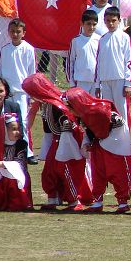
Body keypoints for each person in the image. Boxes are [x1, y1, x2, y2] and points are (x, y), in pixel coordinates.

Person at [22, 72, 91, 211]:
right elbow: (48, 129)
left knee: (66, 170)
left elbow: (70, 125)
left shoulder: (57, 104)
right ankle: (53, 198)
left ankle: (74, 201)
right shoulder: (45, 104)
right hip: (56, 139)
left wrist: (64, 148)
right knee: (49, 171)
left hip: (67, 140)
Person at [65, 86, 131, 213]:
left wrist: (99, 139)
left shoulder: (99, 111)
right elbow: (89, 130)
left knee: (118, 172)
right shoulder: (85, 113)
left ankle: (123, 202)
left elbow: (107, 127)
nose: (70, 110)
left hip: (114, 142)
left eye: (70, 107)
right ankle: (97, 201)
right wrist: (88, 141)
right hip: (99, 143)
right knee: (98, 172)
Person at [0, 19, 36, 160]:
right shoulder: (5, 50)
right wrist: (0, 90)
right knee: (5, 121)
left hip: (21, 92)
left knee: (22, 121)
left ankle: (27, 152)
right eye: (12, 31)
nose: (15, 34)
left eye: (18, 31)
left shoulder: (29, 49)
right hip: (7, 93)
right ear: (8, 32)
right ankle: (5, 150)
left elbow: (32, 73)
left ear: (23, 33)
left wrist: (31, 93)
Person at [0, 113, 33, 211]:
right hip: (0, 177)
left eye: (18, 129)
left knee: (12, 183)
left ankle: (16, 204)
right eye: (13, 129)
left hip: (16, 177)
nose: (17, 132)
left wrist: (2, 164)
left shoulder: (21, 145)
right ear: (4, 131)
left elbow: (20, 165)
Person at [94, 7, 131, 124]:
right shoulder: (102, 39)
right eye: (108, 20)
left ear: (119, 20)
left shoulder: (124, 37)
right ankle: (112, 138)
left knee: (122, 111)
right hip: (105, 81)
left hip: (120, 79)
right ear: (104, 21)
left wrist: (127, 83)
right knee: (109, 111)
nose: (111, 23)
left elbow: (129, 61)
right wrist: (97, 84)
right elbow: (99, 63)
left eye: (113, 20)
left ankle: (125, 138)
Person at [68, 10, 100, 91]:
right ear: (82, 24)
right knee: (81, 103)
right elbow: (70, 61)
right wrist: (71, 82)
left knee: (96, 103)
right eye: (88, 24)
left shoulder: (100, 40)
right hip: (80, 81)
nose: (91, 27)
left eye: (94, 24)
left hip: (96, 81)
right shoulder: (76, 41)